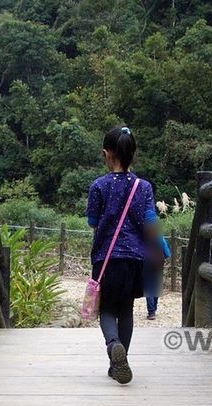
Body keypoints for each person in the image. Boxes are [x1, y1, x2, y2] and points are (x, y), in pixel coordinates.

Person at [86, 126, 159, 384]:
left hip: (106, 259)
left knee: (106, 309)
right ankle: (121, 359)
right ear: (132, 154)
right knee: (126, 310)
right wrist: (161, 246)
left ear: (106, 154)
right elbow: (149, 220)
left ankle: (113, 345)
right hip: (135, 259)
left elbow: (93, 221)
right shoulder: (143, 186)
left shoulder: (99, 186)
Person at [143, 233, 170, 320]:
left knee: (148, 287)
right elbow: (166, 253)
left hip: (146, 263)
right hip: (158, 264)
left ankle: (151, 312)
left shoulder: (142, 236)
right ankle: (154, 307)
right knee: (156, 285)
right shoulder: (159, 237)